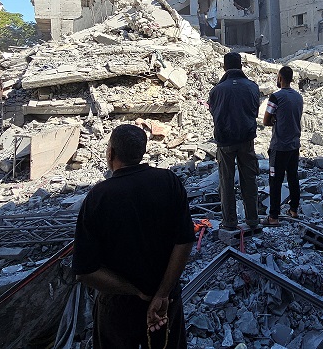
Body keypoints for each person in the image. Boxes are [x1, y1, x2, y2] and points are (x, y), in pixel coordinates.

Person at [73, 124, 194, 349]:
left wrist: (137, 292)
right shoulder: (169, 182)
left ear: (110, 154)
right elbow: (185, 240)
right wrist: (162, 294)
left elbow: (85, 271)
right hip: (166, 305)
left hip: (118, 309)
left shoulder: (98, 197)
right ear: (142, 152)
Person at [208, 52, 262, 233]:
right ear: (241, 66)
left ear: (224, 67)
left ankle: (229, 221)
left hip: (225, 141)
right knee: (249, 179)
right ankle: (253, 219)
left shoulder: (216, 90)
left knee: (226, 180)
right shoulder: (252, 87)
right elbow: (255, 111)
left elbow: (214, 114)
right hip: (246, 139)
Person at [263, 66, 304, 226]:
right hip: (294, 145)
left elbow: (266, 120)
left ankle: (273, 216)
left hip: (279, 146)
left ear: (280, 78)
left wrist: (274, 120)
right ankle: (293, 210)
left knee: (275, 181)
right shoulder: (298, 97)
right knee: (293, 177)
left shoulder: (275, 97)